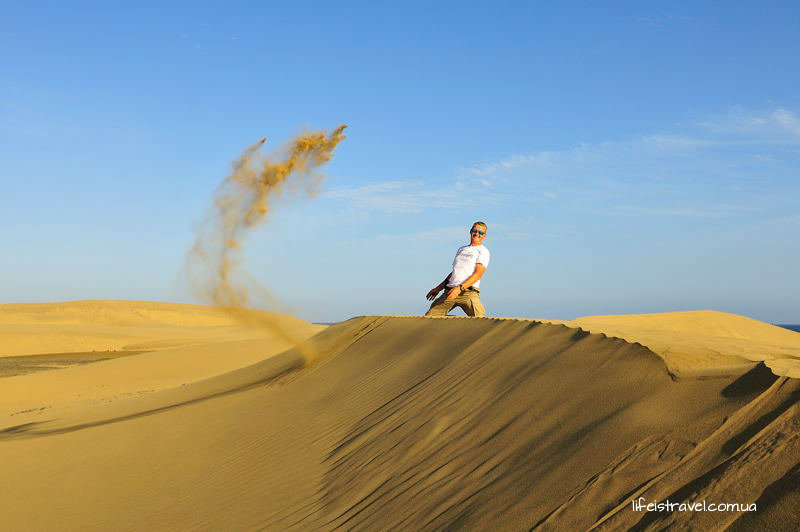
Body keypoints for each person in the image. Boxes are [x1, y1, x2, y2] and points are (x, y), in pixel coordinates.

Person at [425, 221, 490, 317]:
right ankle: (453, 322)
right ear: (470, 231)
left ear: (484, 235)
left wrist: (459, 288)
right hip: (450, 291)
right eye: (475, 230)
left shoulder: (483, 251)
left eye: (480, 232)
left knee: (481, 321)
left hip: (468, 293)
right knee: (429, 318)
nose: (477, 234)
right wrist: (438, 289)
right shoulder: (461, 249)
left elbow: (478, 274)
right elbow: (454, 273)